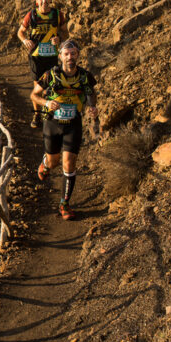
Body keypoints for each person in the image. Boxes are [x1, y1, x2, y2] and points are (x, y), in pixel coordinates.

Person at [30, 40, 98, 220]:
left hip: (73, 123)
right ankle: (45, 163)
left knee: (69, 163)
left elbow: (91, 92)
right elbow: (34, 95)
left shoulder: (85, 76)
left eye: (73, 53)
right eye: (66, 54)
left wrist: (92, 106)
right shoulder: (50, 75)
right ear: (60, 56)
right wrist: (47, 103)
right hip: (52, 123)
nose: (70, 57)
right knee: (54, 162)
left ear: (78, 55)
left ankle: (64, 204)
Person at [18, 0, 69, 128]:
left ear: (50, 0)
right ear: (37, 1)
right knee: (38, 87)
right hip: (36, 57)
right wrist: (25, 41)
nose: (44, 1)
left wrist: (59, 38)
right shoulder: (31, 15)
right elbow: (20, 32)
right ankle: (37, 114)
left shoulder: (58, 15)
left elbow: (66, 34)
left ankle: (50, 114)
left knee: (51, 85)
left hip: (52, 55)